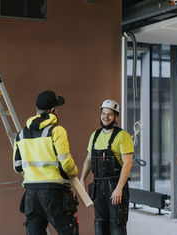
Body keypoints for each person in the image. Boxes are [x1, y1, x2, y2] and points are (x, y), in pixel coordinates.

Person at [13, 90, 79, 235]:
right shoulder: (57, 131)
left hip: (31, 195)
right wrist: (74, 173)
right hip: (54, 193)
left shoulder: (21, 134)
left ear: (37, 110)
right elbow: (66, 165)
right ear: (53, 110)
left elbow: (17, 167)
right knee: (68, 231)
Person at [80, 99, 134, 235]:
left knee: (117, 224)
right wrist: (81, 180)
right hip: (98, 186)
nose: (106, 117)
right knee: (100, 224)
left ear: (116, 116)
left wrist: (119, 188)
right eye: (103, 113)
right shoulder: (95, 135)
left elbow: (127, 163)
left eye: (110, 114)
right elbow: (88, 159)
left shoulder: (123, 136)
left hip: (115, 185)